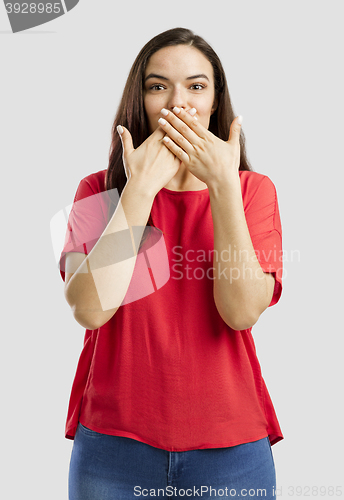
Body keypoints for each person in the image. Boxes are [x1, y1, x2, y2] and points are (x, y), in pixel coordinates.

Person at [59, 27, 283, 500]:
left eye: (196, 87)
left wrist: (222, 185)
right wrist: (138, 190)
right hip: (113, 445)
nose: (177, 103)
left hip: (232, 447)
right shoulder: (97, 191)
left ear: (216, 103)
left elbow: (240, 311)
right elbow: (89, 309)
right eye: (158, 86)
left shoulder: (251, 191)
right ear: (138, 100)